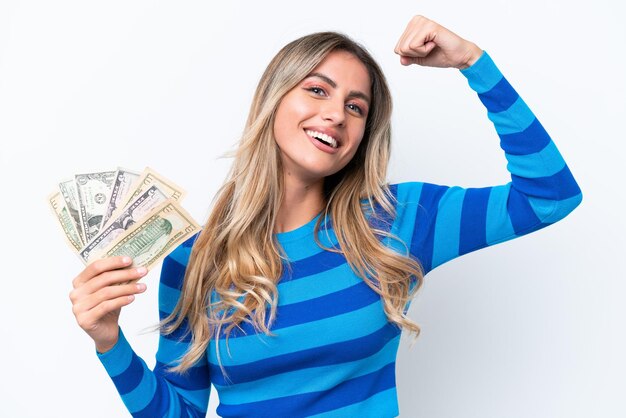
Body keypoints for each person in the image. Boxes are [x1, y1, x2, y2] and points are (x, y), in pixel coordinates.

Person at [69, 15, 582, 418]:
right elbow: (178, 414)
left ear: (361, 136)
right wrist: (108, 341)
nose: (337, 114)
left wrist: (473, 61)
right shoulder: (193, 260)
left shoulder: (399, 220)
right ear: (273, 102)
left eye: (356, 107)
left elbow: (549, 196)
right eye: (317, 90)